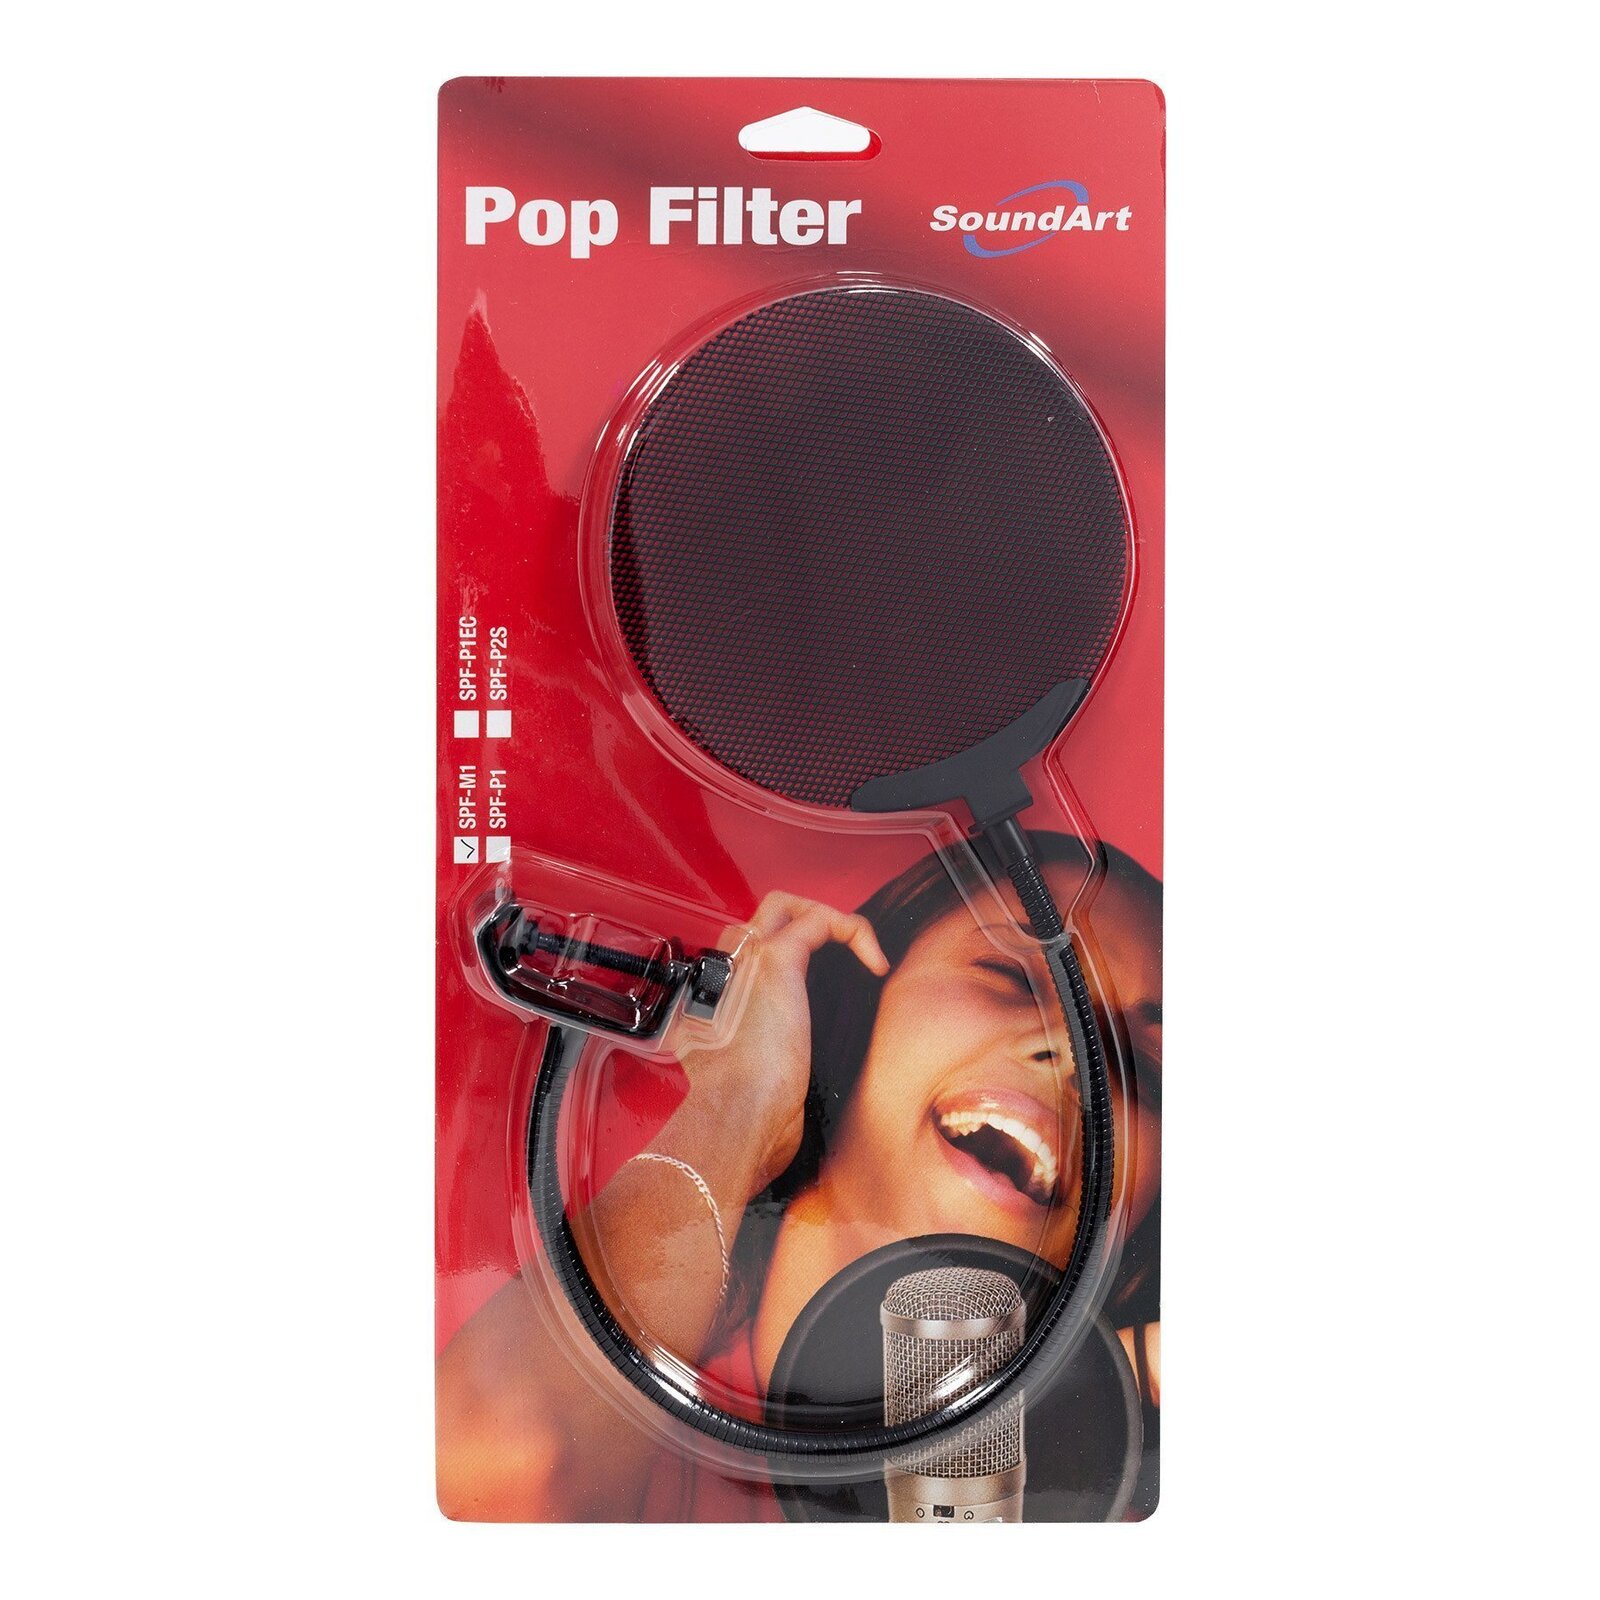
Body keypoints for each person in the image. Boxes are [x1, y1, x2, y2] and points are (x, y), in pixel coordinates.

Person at [438, 834, 1161, 1520]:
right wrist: (740, 1100)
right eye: (1012, 978)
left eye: (1148, 1072)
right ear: (852, 1009)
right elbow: (500, 1457)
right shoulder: (647, 1434)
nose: (1077, 1059)